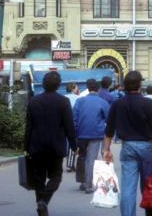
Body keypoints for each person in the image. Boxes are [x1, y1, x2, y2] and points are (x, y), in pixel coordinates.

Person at [103, 70, 152, 216]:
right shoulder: (148, 104)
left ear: (125, 86)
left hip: (127, 147)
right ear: (140, 85)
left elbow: (108, 130)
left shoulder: (117, 104)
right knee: (149, 187)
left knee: (128, 188)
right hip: (147, 148)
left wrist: (106, 150)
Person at [24, 71, 77, 216]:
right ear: (58, 85)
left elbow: (28, 126)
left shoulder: (33, 101)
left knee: (39, 178)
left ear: (43, 84)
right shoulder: (63, 101)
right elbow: (69, 126)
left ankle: (41, 205)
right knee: (56, 176)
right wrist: (74, 145)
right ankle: (44, 202)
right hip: (56, 147)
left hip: (36, 146)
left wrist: (25, 147)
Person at [72, 79, 110, 194]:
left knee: (82, 157)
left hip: (81, 134)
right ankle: (89, 185)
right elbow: (108, 118)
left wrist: (74, 134)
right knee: (91, 159)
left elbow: (74, 118)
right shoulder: (102, 102)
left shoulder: (79, 101)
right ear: (98, 89)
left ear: (88, 88)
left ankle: (82, 182)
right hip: (96, 134)